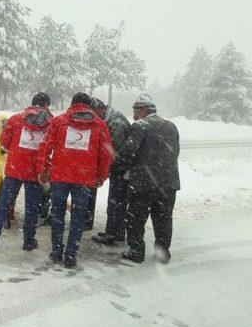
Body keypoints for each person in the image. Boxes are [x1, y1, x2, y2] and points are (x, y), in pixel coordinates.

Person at [37, 92, 113, 268]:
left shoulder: (59, 121)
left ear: (72, 104)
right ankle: (71, 254)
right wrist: (101, 176)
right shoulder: (100, 125)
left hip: (60, 176)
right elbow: (106, 154)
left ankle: (56, 250)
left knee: (57, 214)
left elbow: (44, 146)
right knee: (78, 217)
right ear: (89, 106)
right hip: (84, 179)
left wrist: (43, 170)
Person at [113, 94, 180, 263]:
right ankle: (162, 252)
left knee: (136, 219)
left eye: (135, 112)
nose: (134, 116)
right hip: (168, 184)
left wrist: (117, 168)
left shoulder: (140, 126)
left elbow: (128, 153)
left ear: (143, 111)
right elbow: (175, 152)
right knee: (163, 219)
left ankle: (136, 251)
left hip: (143, 184)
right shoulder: (171, 126)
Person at [0, 92, 53, 251]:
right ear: (46, 105)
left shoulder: (16, 119)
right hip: (35, 170)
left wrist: (17, 152)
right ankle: (29, 240)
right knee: (32, 207)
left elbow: (4, 142)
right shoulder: (51, 123)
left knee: (4, 203)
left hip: (15, 168)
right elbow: (51, 146)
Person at [88, 99, 131, 244]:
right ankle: (116, 231)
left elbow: (113, 151)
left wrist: (104, 170)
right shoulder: (112, 119)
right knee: (117, 201)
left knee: (116, 201)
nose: (93, 116)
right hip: (122, 169)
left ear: (101, 109)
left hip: (122, 170)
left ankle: (112, 233)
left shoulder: (116, 123)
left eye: (93, 112)